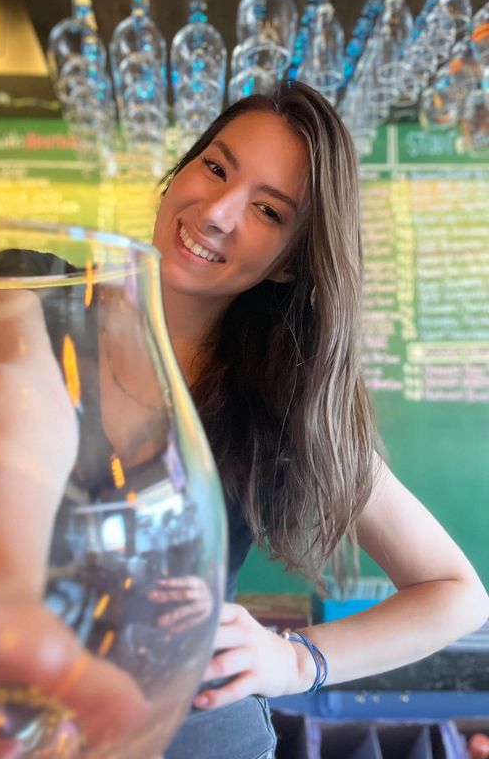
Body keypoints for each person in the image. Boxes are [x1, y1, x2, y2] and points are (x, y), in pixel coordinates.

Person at [146, 80, 488, 758]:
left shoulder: (279, 398)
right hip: (24, 720)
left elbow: (457, 593)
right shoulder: (36, 298)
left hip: (201, 737)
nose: (216, 212)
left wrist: (295, 661)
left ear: (288, 265)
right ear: (183, 167)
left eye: (268, 211)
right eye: (216, 167)